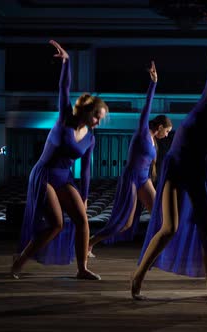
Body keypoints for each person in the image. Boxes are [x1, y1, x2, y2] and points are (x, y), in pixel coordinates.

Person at [132, 13, 207, 302]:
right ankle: (138, 276)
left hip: (200, 178)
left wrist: (205, 194)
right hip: (175, 168)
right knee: (169, 227)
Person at [11, 40, 108, 280]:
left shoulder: (91, 138)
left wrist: (84, 196)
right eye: (97, 116)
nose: (98, 121)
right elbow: (63, 88)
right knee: (56, 224)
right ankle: (20, 261)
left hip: (65, 178)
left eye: (101, 118)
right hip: (44, 174)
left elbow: (86, 171)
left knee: (83, 220)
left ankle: (82, 268)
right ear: (87, 111)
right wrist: (67, 62)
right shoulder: (65, 118)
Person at [88, 62, 172, 256]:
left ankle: (156, 249)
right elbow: (146, 108)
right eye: (166, 131)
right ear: (159, 126)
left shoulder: (153, 140)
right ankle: (91, 242)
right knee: (124, 223)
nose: (167, 135)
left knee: (159, 214)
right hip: (132, 178)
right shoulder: (143, 131)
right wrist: (153, 84)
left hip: (144, 179)